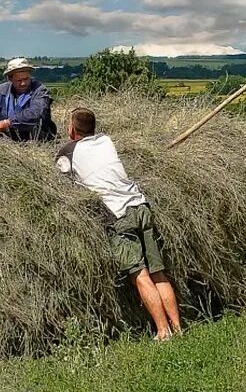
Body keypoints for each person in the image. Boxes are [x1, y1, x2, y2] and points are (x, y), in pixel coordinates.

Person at [55, 107, 181, 340]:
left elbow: (62, 181)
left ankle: (163, 332)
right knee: (158, 272)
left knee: (139, 274)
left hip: (118, 214)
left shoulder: (67, 152)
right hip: (141, 206)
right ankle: (178, 329)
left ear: (72, 129)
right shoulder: (106, 140)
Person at [0, 57, 57, 141]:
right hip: (7, 138)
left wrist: (6, 123)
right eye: (19, 80)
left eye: (26, 79)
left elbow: (36, 113)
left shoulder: (39, 90)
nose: (23, 83)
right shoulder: (0, 91)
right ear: (10, 79)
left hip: (35, 137)